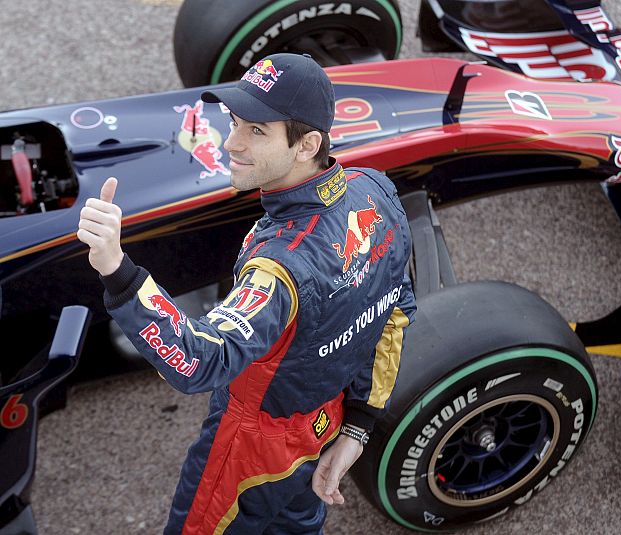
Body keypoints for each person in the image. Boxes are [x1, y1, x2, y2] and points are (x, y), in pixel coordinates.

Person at [76, 53, 416, 534]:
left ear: (307, 145)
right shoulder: (376, 190)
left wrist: (115, 266)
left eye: (257, 131)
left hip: (249, 450)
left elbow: (199, 362)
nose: (230, 142)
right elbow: (394, 311)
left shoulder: (279, 268)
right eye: (235, 122)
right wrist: (358, 425)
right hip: (324, 426)